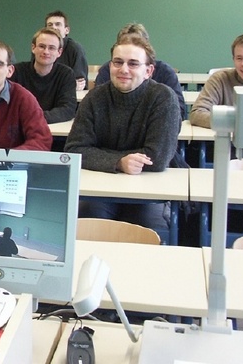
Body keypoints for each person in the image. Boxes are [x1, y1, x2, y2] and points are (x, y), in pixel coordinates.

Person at [65, 35, 185, 235]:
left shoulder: (164, 98)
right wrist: (119, 161)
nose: (124, 69)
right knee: (87, 224)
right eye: (117, 62)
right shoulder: (95, 98)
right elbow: (75, 149)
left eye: (133, 64)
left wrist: (101, 154)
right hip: (102, 185)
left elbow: (158, 157)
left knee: (148, 229)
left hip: (150, 186)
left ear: (148, 71)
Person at [94, 23, 186, 119]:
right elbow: (98, 105)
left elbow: (179, 111)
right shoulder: (107, 70)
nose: (124, 70)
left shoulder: (165, 72)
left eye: (137, 42)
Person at [11, 27, 77, 123]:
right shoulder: (17, 71)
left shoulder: (66, 74)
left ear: (59, 52)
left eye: (51, 48)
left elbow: (67, 109)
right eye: (42, 46)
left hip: (53, 131)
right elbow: (8, 106)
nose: (46, 52)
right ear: (33, 48)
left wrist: (34, 117)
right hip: (21, 131)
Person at [44, 10, 89, 90]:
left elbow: (79, 84)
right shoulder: (40, 48)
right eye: (50, 25)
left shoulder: (75, 49)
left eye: (58, 24)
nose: (53, 27)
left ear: (66, 30)